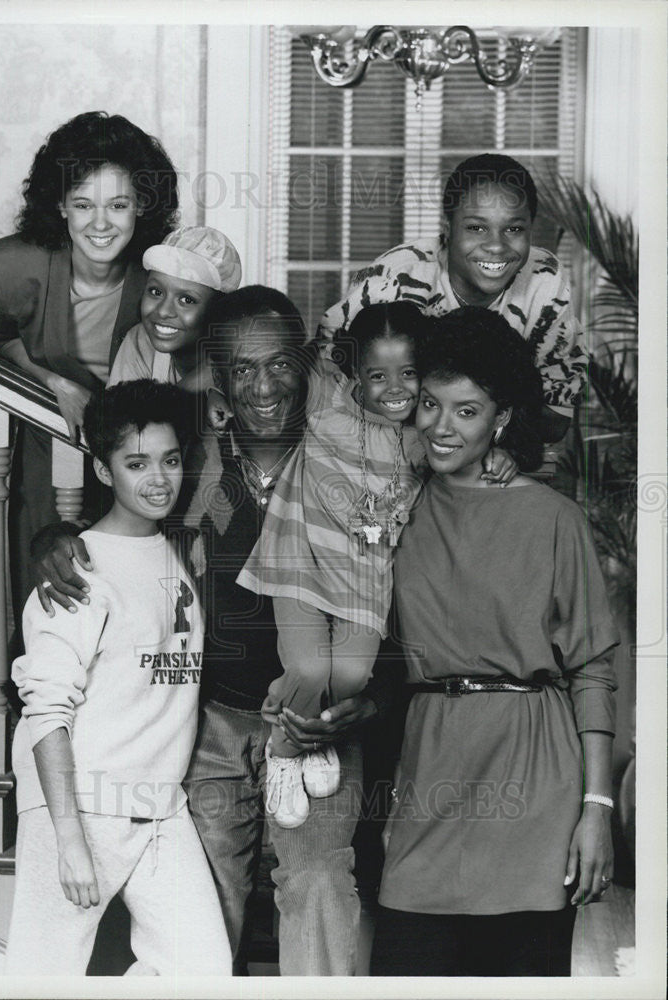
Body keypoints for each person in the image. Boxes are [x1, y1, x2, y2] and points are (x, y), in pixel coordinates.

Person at [33, 286, 403, 975]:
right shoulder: (187, 460)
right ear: (220, 380)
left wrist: (371, 698)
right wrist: (52, 538)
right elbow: (112, 521)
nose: (264, 386)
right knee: (202, 903)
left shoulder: (355, 461)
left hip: (321, 722)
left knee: (320, 884)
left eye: (280, 364)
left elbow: (397, 595)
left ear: (307, 362)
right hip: (210, 724)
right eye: (241, 368)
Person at [370, 307, 619, 977]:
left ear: (501, 419)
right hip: (431, 767)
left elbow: (593, 668)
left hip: (536, 782)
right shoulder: (396, 501)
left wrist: (597, 808)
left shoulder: (552, 519)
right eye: (429, 403)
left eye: (467, 411)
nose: (440, 426)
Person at [234, 302, 514, 830]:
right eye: (377, 375)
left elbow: (476, 442)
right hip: (299, 558)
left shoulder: (425, 435)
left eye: (409, 374)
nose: (394, 388)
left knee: (351, 674)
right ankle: (284, 750)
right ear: (353, 375)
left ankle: (305, 727)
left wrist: (500, 455)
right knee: (311, 667)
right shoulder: (324, 399)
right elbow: (260, 357)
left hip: (365, 576)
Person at [5, 380, 231, 976]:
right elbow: (46, 712)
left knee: (203, 972)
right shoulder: (75, 570)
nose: (158, 478)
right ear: (104, 472)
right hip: (79, 805)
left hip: (160, 808)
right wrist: (68, 839)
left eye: (170, 460)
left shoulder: (180, 548)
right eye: (136, 464)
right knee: (41, 973)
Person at [0, 110, 178, 623]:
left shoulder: (163, 272)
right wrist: (54, 381)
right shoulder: (7, 266)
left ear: (141, 204)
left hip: (142, 455)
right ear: (59, 205)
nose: (100, 224)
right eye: (83, 204)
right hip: (50, 447)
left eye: (118, 204)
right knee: (55, 601)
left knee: (139, 610)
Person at [318, 153, 587, 443]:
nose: (496, 246)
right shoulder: (394, 280)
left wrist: (470, 436)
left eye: (514, 229)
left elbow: (556, 417)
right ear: (447, 227)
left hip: (493, 458)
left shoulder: (544, 279)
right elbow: (325, 384)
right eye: (476, 228)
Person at [108, 225, 242, 390]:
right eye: (156, 292)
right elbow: (114, 413)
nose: (163, 311)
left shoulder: (242, 361)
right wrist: (194, 383)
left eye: (186, 299)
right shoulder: (140, 340)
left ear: (218, 311)